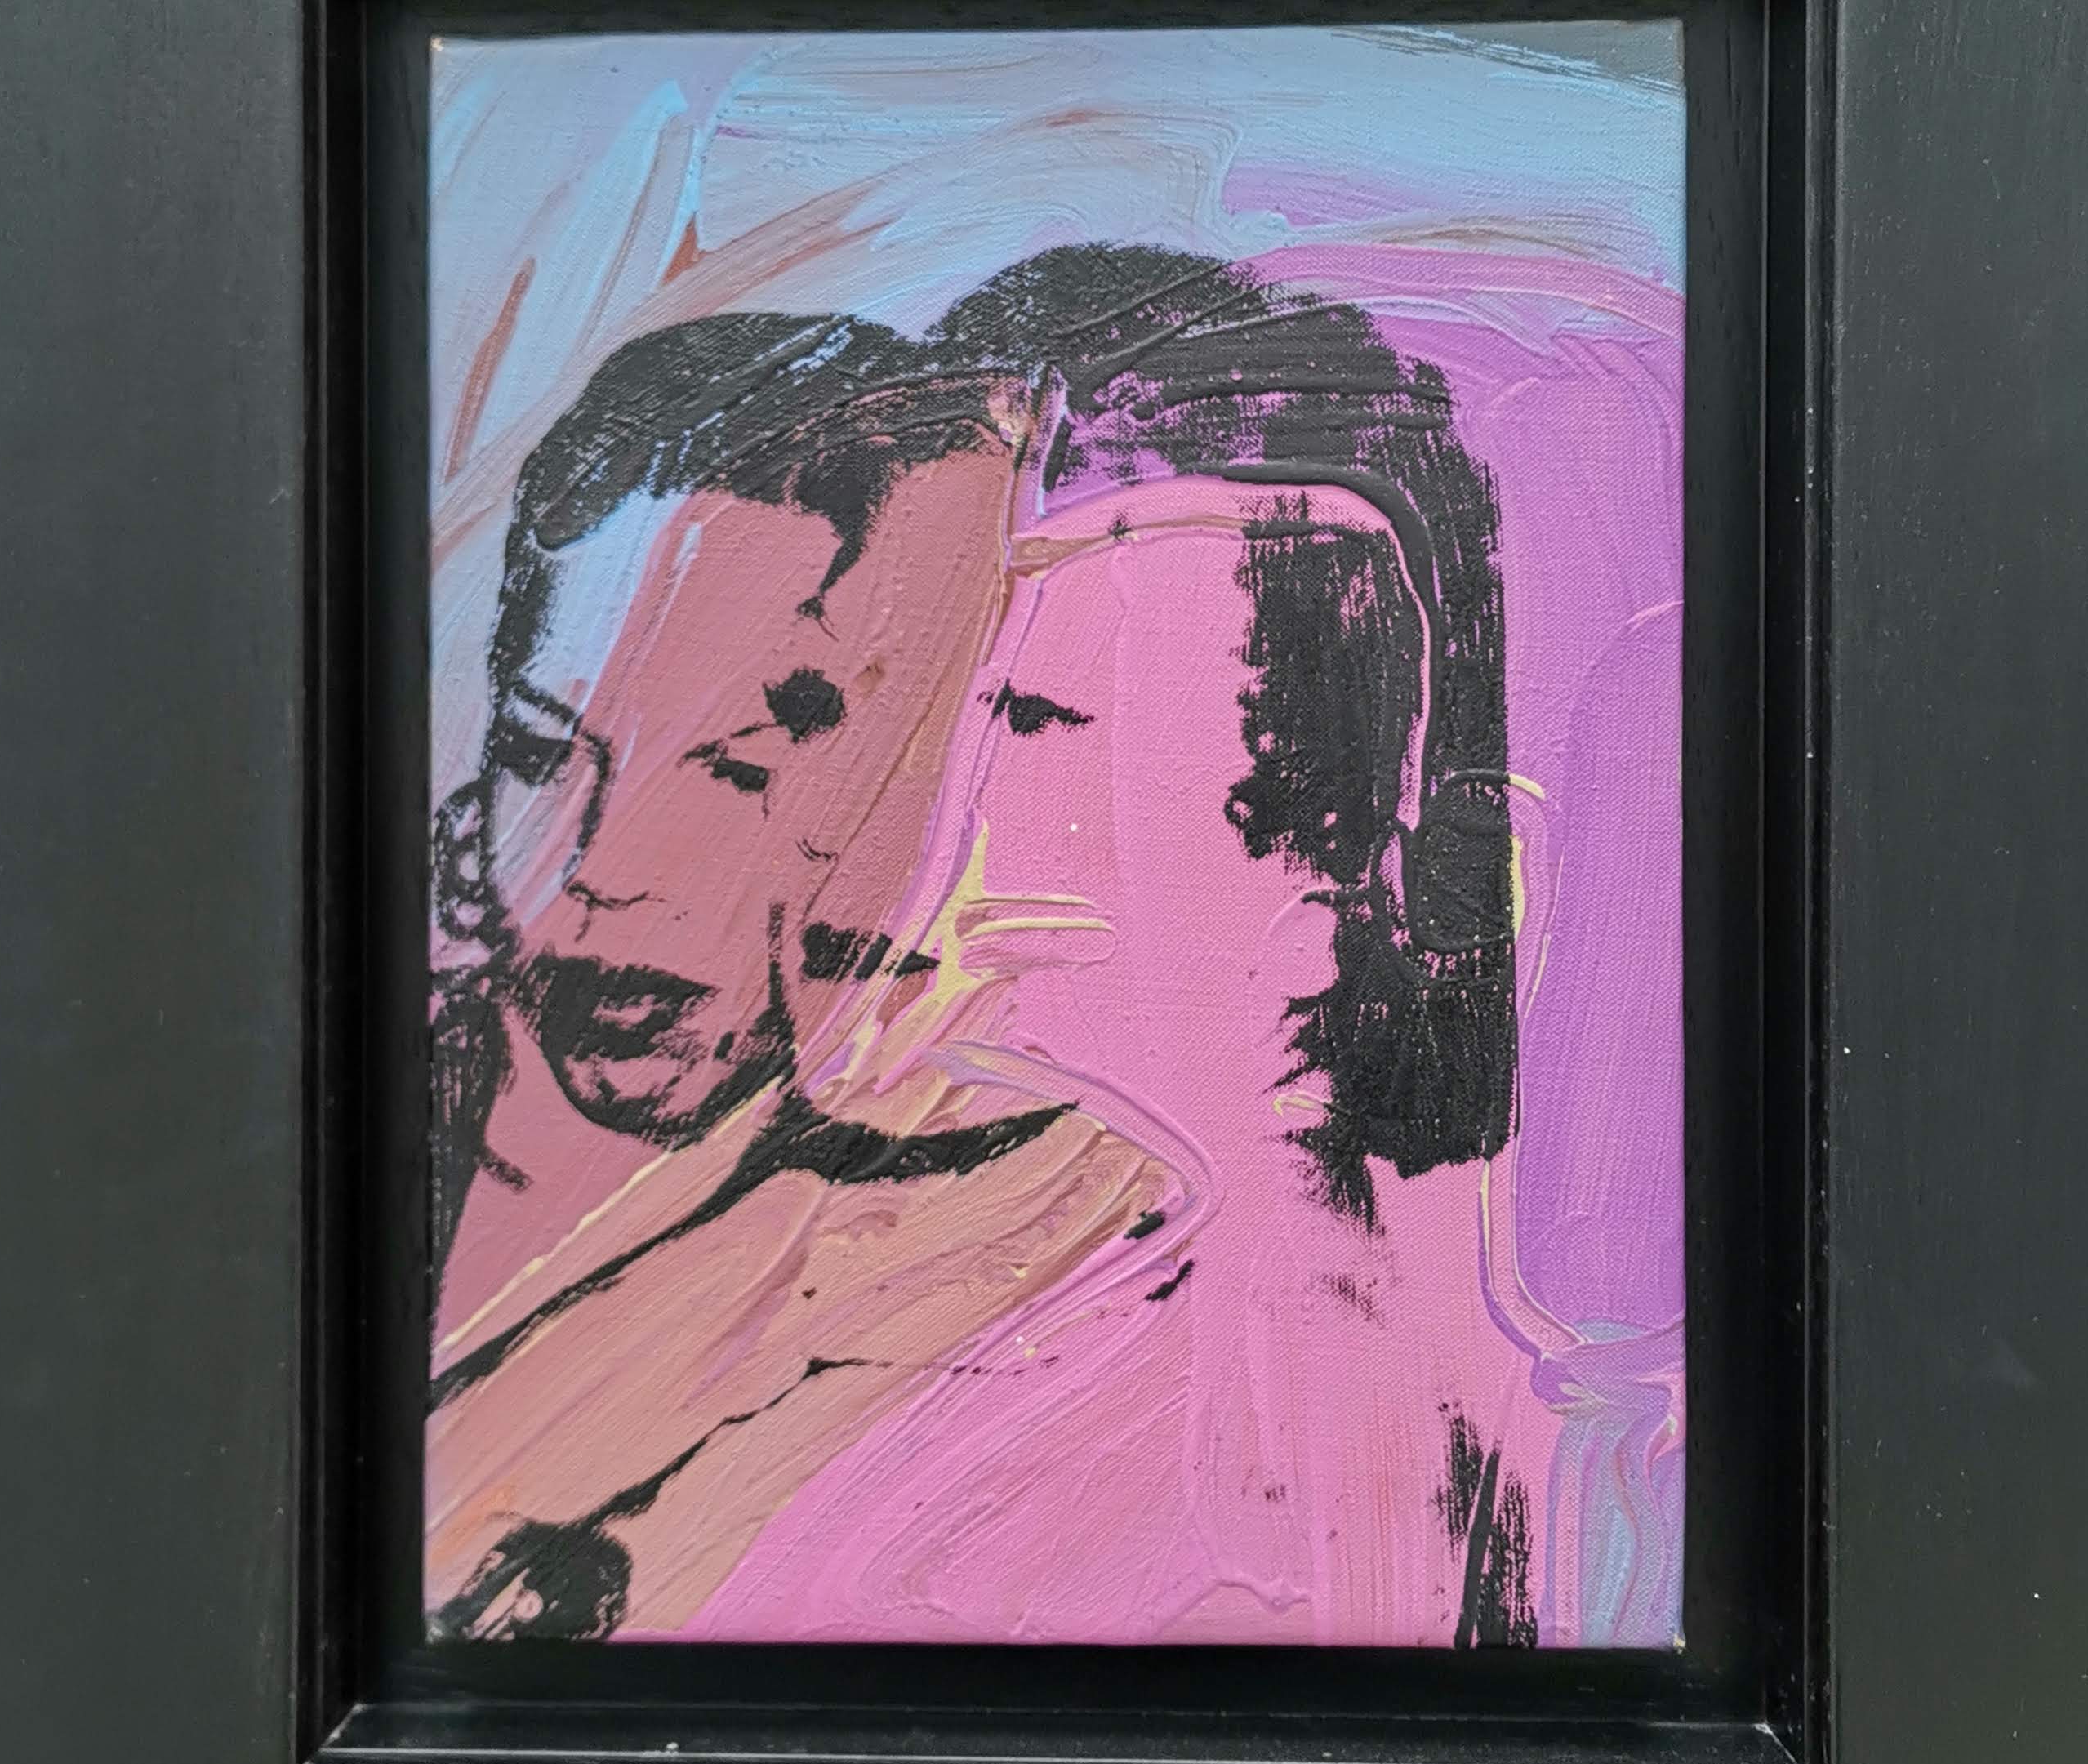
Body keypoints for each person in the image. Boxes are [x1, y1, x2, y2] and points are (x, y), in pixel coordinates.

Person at [423, 243, 1535, 1645]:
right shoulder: (785, 1233)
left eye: (1040, 739)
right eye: (910, 753)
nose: (898, 892)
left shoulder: (1318, 1415)